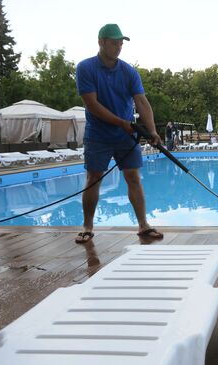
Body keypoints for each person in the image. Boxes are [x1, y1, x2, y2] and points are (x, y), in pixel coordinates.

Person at [74, 23, 163, 243]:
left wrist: (151, 130)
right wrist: (121, 122)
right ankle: (87, 226)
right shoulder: (86, 68)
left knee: (133, 177)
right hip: (98, 134)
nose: (119, 47)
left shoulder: (128, 71)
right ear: (101, 42)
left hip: (126, 135)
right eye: (114, 43)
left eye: (121, 43)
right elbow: (92, 104)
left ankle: (143, 225)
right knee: (93, 178)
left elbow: (141, 101)